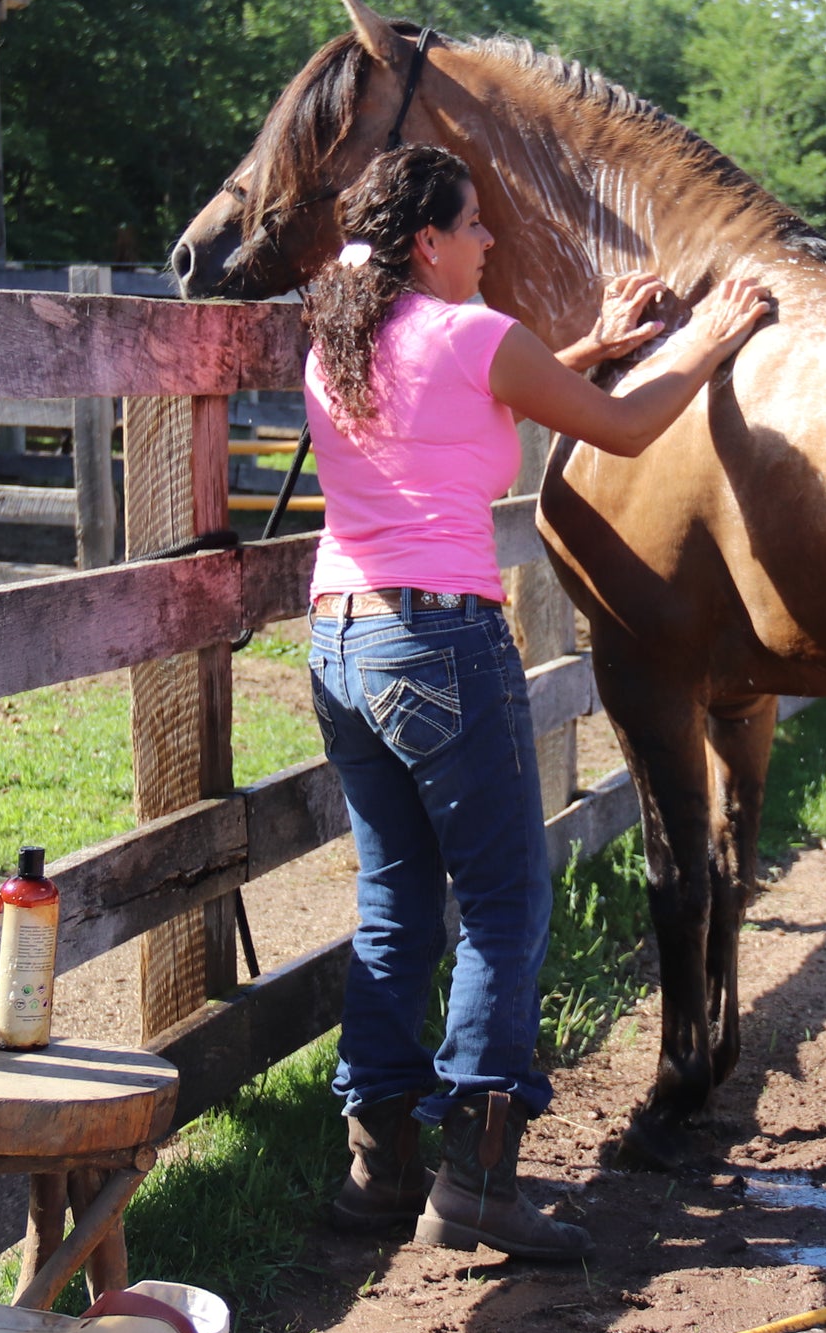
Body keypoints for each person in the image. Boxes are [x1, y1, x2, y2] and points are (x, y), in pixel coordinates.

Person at [303, 143, 769, 1258]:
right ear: (428, 241)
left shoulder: (344, 341)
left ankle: (378, 1176)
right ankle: (477, 1179)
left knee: (394, 902)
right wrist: (705, 339)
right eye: (472, 224)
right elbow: (615, 426)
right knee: (506, 905)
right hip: (440, 640)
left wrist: (596, 345)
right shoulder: (471, 336)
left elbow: (468, 399)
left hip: (338, 638)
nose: (489, 239)